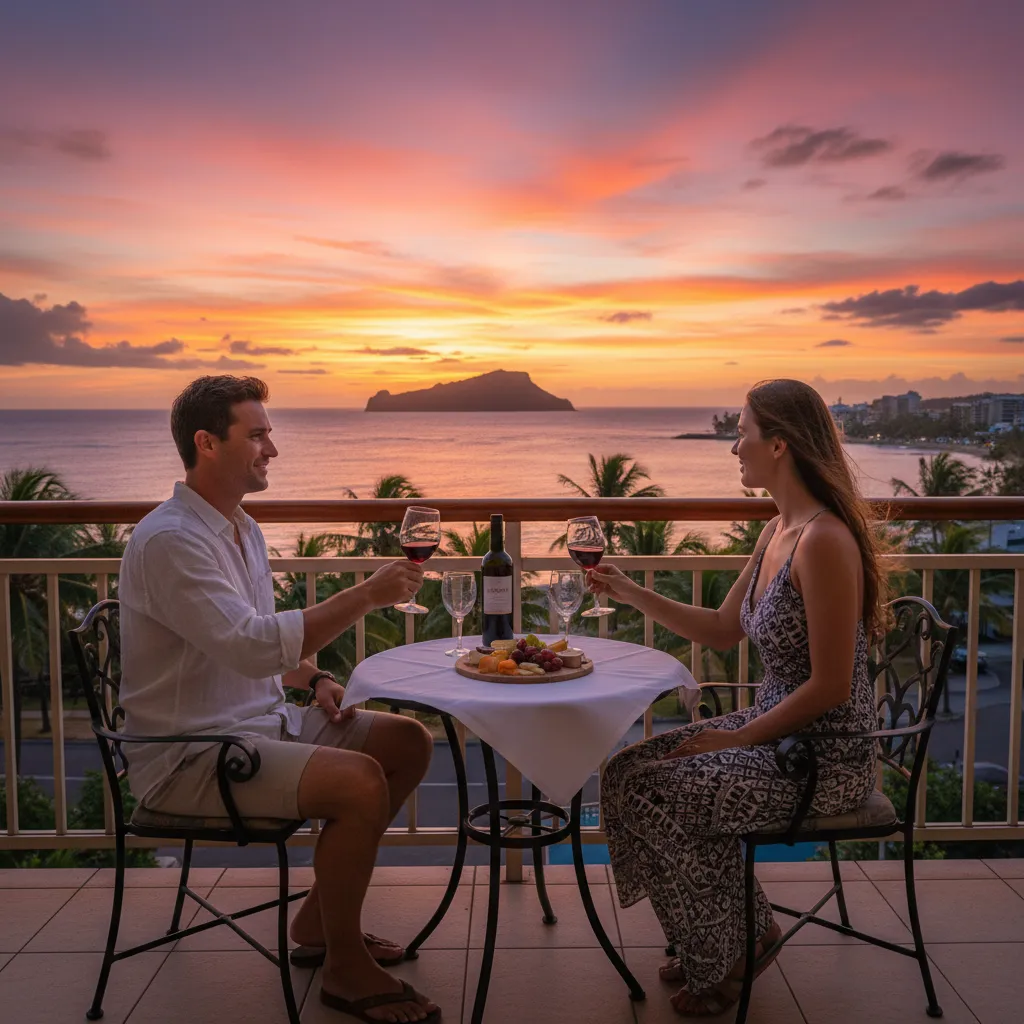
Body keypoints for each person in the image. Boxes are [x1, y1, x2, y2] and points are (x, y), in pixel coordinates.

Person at [118, 375, 439, 1023]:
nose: (273, 448)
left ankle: (321, 925)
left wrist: (313, 680)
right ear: (207, 443)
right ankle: (345, 969)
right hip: (194, 756)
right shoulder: (172, 541)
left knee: (407, 742)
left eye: (270, 433)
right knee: (357, 782)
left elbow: (256, 644)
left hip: (262, 725)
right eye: (257, 434)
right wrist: (367, 596)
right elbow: (247, 644)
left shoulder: (240, 527)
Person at [588, 379, 885, 1017]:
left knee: (661, 786)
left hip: (823, 758)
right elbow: (723, 629)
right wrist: (629, 590)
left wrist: (737, 737)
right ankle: (729, 933)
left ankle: (731, 947)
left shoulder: (825, 541)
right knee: (627, 771)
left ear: (779, 444)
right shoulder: (778, 529)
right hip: (774, 733)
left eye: (742, 432)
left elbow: (832, 686)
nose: (734, 447)